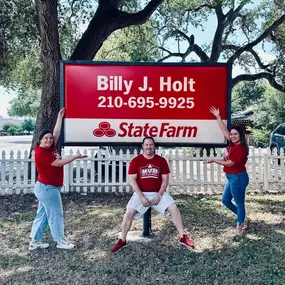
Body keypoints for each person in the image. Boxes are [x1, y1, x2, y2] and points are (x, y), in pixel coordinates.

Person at [112, 136, 195, 253]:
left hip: (157, 192)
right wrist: (141, 197)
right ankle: (122, 240)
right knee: (129, 212)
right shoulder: (136, 161)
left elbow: (165, 180)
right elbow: (132, 181)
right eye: (146, 145)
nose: (148, 147)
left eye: (151, 145)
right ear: (143, 146)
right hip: (141, 192)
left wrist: (159, 196)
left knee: (174, 208)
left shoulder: (161, 161)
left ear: (154, 146)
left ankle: (182, 237)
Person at [29, 108, 87, 251]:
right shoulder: (41, 153)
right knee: (56, 214)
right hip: (47, 188)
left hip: (46, 187)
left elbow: (56, 133)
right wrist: (75, 157)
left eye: (49, 138)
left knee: (42, 215)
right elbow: (59, 163)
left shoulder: (49, 147)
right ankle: (60, 241)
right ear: (40, 140)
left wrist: (59, 117)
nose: (49, 140)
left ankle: (34, 242)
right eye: (46, 138)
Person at [204, 107, 250, 236]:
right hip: (232, 177)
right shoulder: (232, 143)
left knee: (240, 203)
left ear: (240, 135)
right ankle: (244, 218)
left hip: (238, 178)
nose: (233, 136)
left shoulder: (240, 148)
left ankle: (240, 226)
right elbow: (224, 129)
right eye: (232, 134)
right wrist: (218, 116)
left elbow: (230, 163)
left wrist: (214, 160)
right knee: (225, 200)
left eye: (236, 134)